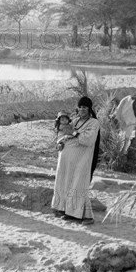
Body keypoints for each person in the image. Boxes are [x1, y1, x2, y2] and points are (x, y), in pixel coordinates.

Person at [51, 96, 101, 225]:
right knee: (67, 183)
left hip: (82, 160)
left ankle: (87, 217)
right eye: (80, 107)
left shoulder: (94, 123)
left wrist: (74, 133)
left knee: (79, 185)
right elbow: (63, 133)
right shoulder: (75, 120)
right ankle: (69, 212)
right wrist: (60, 142)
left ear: (89, 109)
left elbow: (88, 140)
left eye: (85, 107)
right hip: (68, 160)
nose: (82, 109)